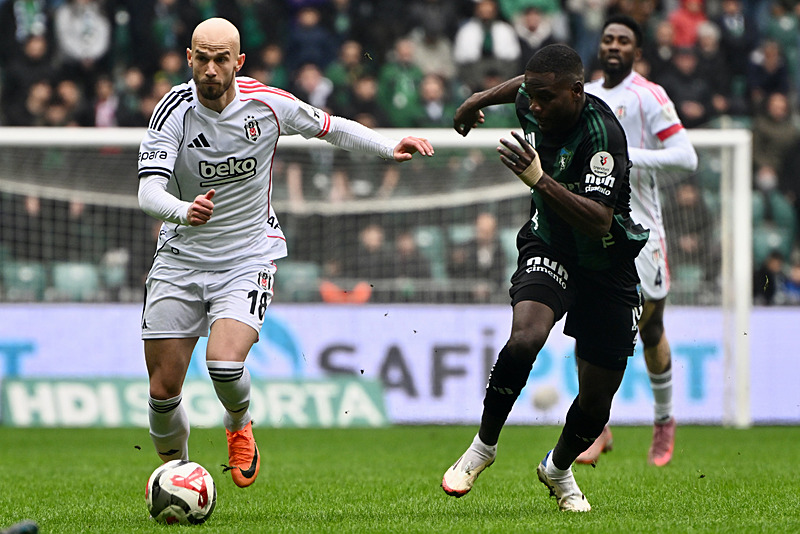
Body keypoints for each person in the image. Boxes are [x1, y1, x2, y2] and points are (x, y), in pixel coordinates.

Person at [137, 17, 433, 488]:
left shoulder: (269, 105)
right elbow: (148, 191)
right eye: (202, 58)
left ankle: (239, 425)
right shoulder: (173, 111)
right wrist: (180, 210)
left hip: (247, 255)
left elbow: (331, 128)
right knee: (162, 389)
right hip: (180, 258)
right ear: (189, 59)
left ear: (239, 61)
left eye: (221, 59)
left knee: (224, 363)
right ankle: (177, 478)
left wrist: (386, 146)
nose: (211, 69)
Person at [444, 44, 648, 511]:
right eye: (531, 96)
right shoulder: (535, 96)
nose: (534, 106)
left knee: (596, 403)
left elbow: (599, 220)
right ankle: (483, 447)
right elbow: (522, 84)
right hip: (549, 244)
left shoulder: (603, 135)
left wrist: (539, 179)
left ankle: (557, 469)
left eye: (545, 98)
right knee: (524, 339)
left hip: (606, 262)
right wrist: (477, 99)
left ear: (576, 92)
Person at [578, 15, 698, 466]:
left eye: (623, 40)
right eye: (608, 38)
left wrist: (627, 155)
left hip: (643, 230)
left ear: (636, 51)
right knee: (587, 320)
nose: (613, 46)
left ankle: (664, 419)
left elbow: (686, 157)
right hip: (593, 224)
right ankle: (595, 426)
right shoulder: (585, 96)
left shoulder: (650, 96)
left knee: (648, 328)